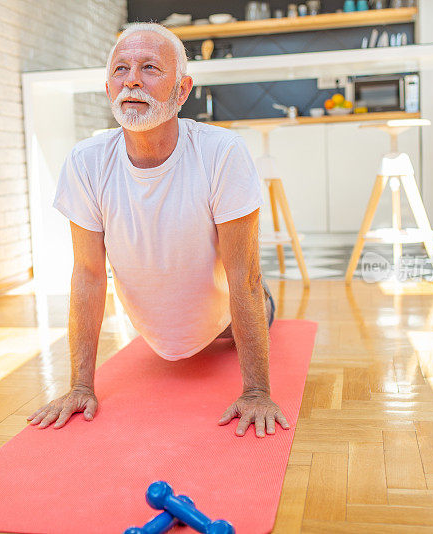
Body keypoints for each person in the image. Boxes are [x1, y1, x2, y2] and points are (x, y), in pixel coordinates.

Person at [27, 22, 288, 438]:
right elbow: (89, 275)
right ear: (108, 87)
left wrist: (257, 391)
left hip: (223, 320)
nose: (132, 80)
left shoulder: (222, 153)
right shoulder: (86, 162)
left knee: (255, 296)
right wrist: (80, 386)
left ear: (182, 91)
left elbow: (245, 276)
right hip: (156, 332)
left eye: (149, 67)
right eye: (121, 70)